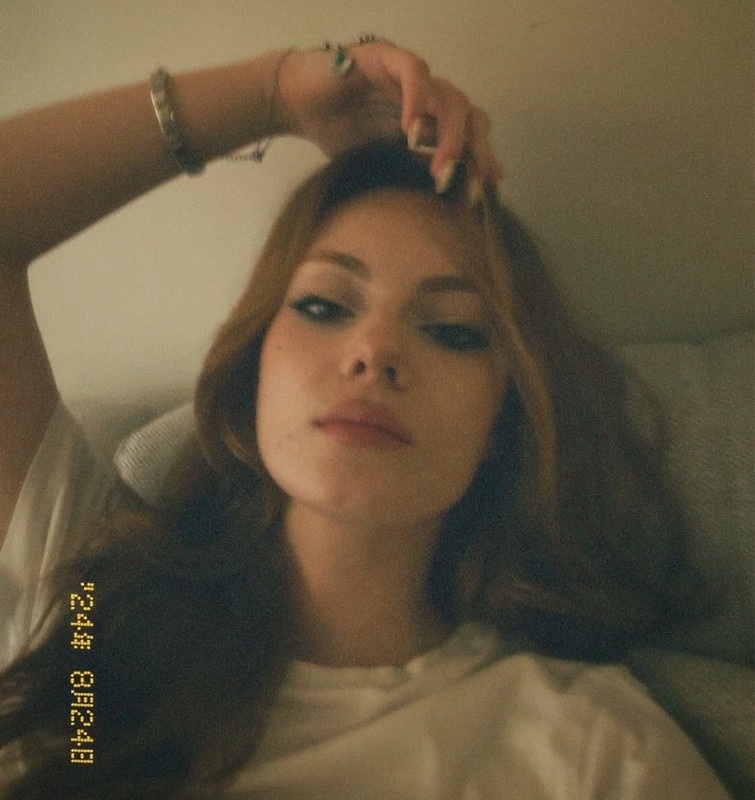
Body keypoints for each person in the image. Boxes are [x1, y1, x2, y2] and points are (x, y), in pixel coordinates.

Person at [0, 39, 731, 800]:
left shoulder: (594, 751)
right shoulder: (90, 608)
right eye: (323, 306)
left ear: (500, 422)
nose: (375, 352)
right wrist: (272, 93)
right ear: (255, 366)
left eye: (451, 330)